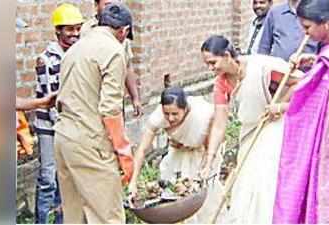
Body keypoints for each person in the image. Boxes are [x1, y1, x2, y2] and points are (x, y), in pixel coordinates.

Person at [200, 35, 302, 223]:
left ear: (227, 55)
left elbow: (299, 82)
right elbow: (220, 123)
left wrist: (280, 105)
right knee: (245, 185)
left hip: (274, 130)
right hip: (249, 134)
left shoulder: (261, 68)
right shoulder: (221, 83)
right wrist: (210, 158)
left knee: (266, 184)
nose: (211, 68)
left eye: (213, 62)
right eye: (207, 64)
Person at [271, 0, 329, 223]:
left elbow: (312, 101)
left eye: (307, 27)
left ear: (325, 23)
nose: (305, 34)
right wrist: (315, 60)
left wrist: (280, 107)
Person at [53, 2, 134, 223]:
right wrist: (124, 154)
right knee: (108, 216)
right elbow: (110, 109)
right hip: (90, 141)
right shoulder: (114, 51)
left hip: (63, 138)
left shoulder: (75, 48)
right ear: (123, 31)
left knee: (74, 216)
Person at [128, 87, 227, 223]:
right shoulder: (158, 117)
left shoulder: (202, 115)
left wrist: (204, 171)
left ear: (185, 109)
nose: (170, 118)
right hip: (178, 155)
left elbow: (210, 147)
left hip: (203, 154)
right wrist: (133, 182)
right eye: (166, 113)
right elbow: (142, 150)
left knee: (207, 203)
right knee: (173, 195)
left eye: (175, 113)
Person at [33, 3, 83, 223]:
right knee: (48, 178)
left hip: (69, 126)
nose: (75, 34)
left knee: (66, 178)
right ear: (58, 31)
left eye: (77, 28)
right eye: (69, 29)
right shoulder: (46, 60)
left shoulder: (80, 54)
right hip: (50, 127)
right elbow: (51, 100)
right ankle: (42, 220)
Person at [81, 0, 142, 117]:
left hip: (114, 97)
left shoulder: (122, 29)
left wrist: (135, 98)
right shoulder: (86, 30)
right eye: (107, 5)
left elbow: (127, 66)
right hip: (92, 99)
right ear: (96, 5)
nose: (112, 9)